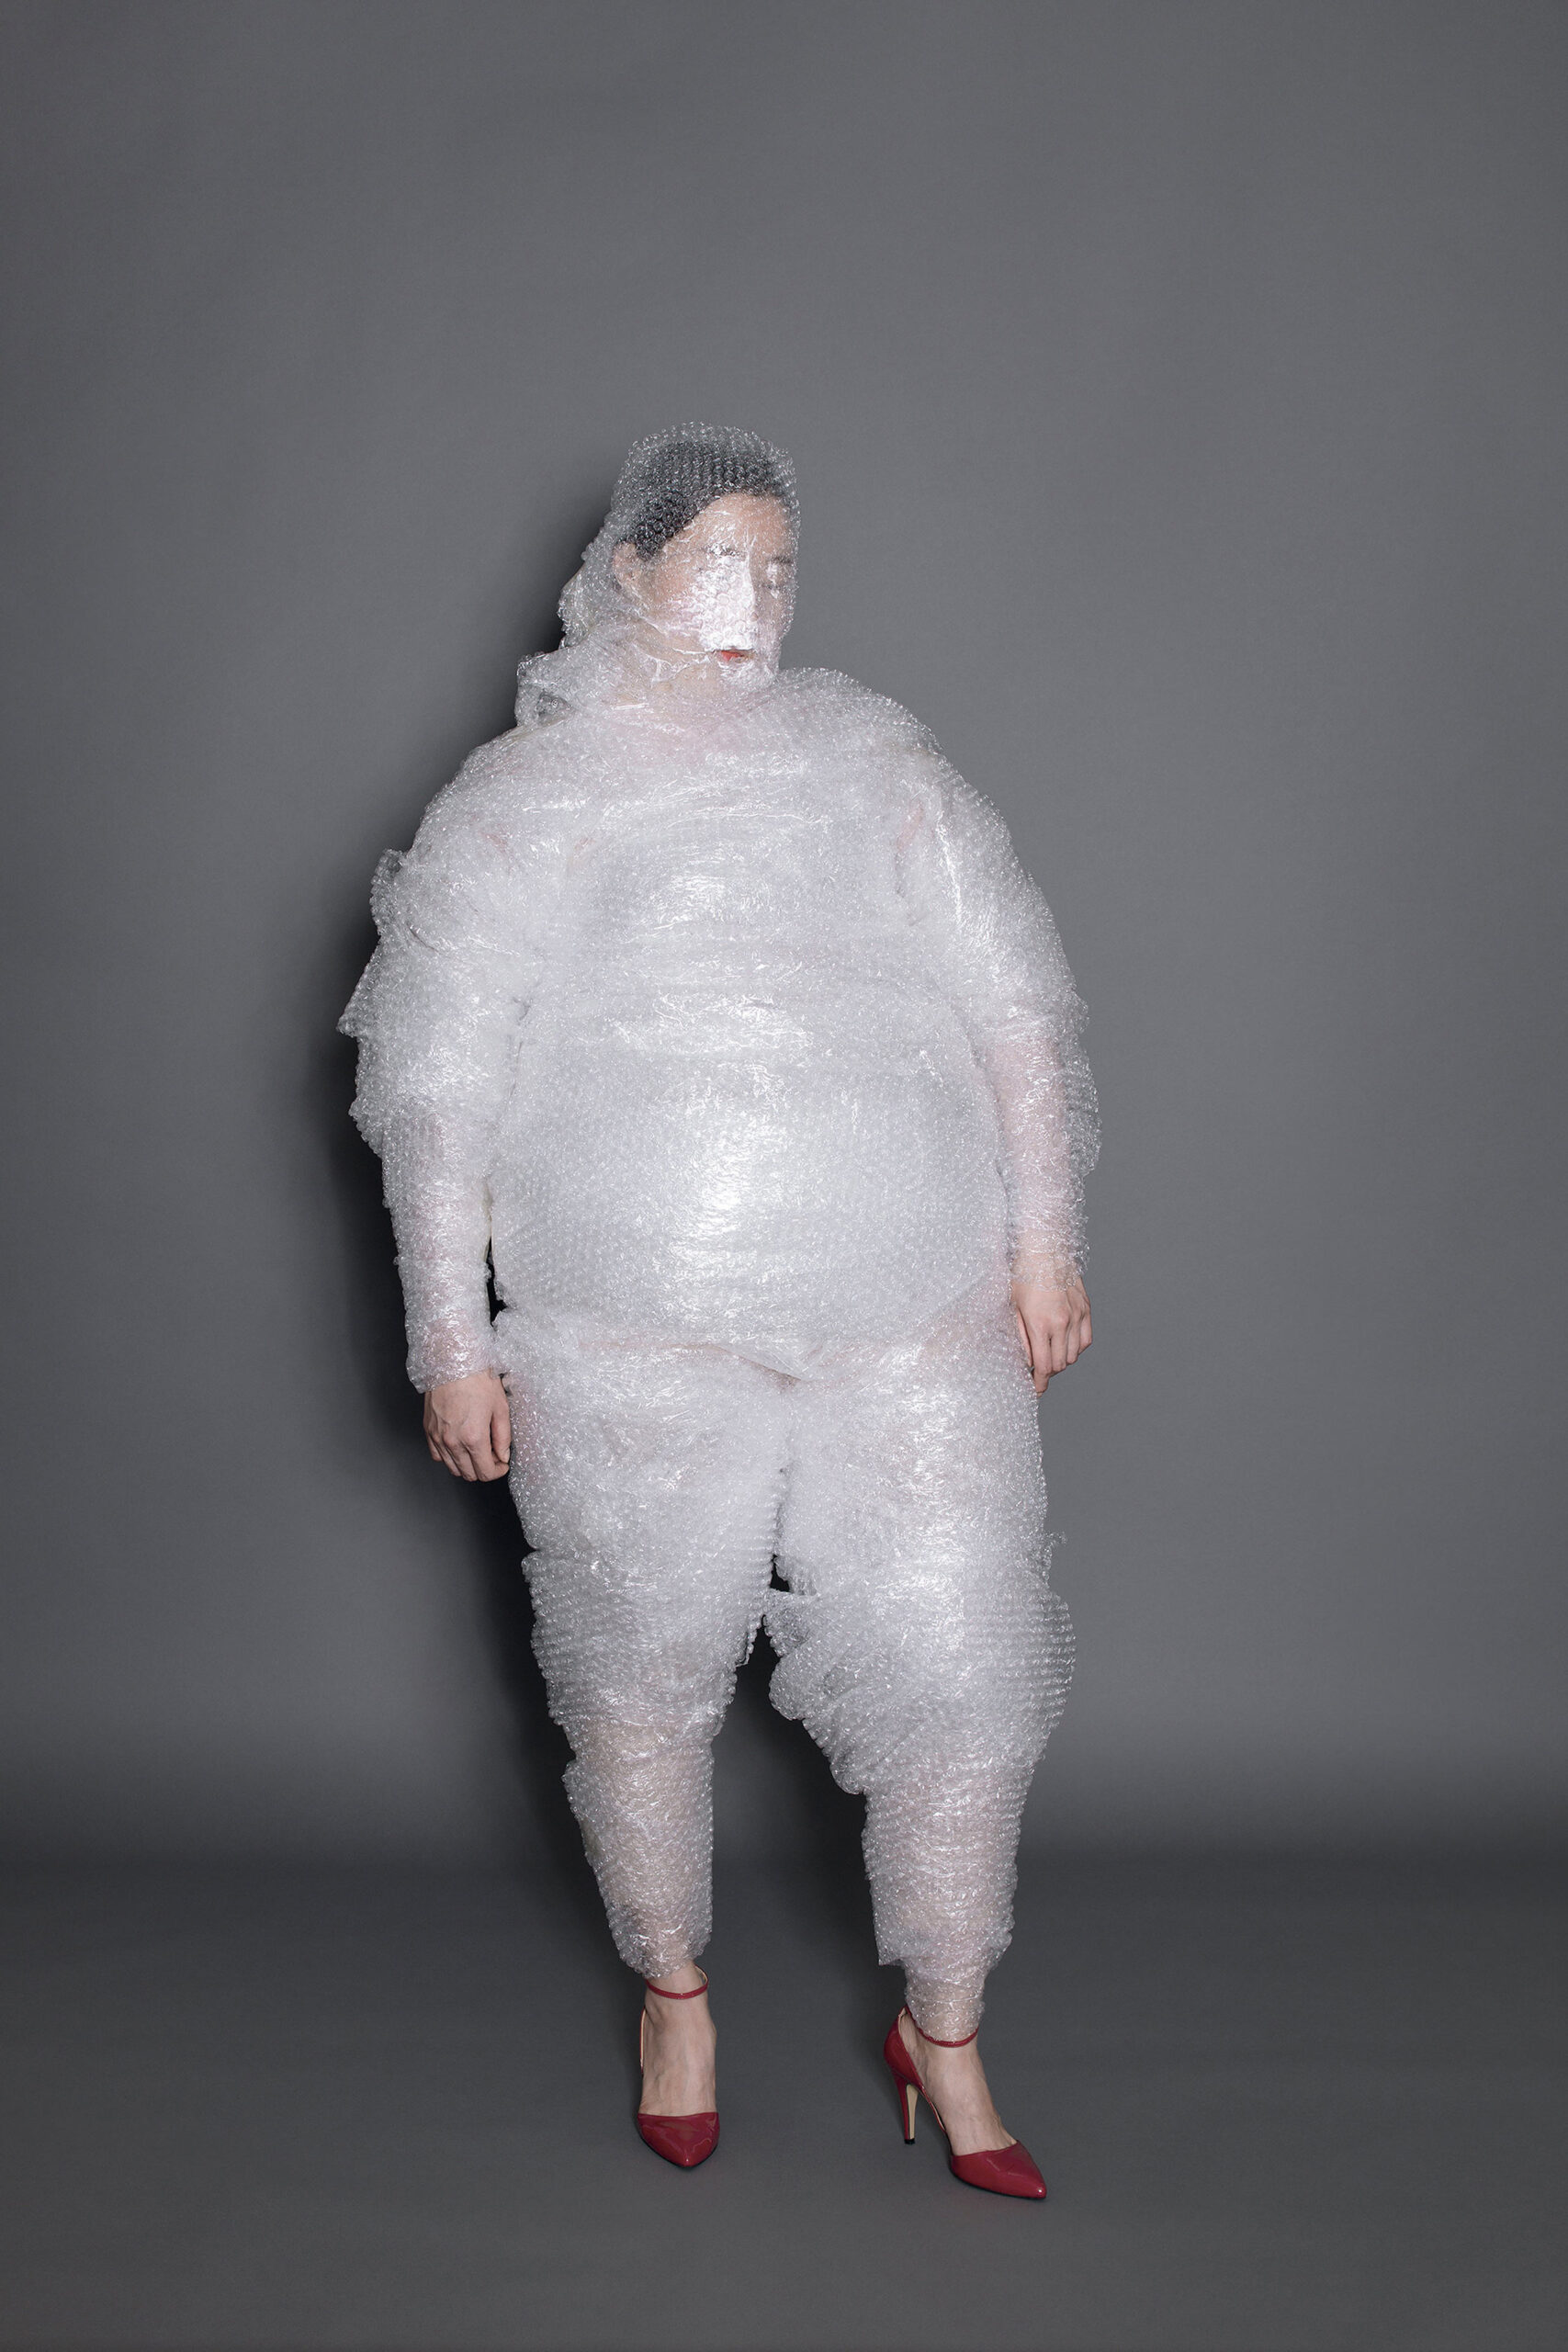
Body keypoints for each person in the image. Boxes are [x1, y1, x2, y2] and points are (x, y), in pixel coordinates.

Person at [341, 424, 1097, 2195]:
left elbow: (1014, 1004)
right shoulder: (530, 797)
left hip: (910, 1312)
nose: (754, 598)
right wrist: (451, 1338)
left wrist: (1046, 1243)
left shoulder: (874, 765)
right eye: (716, 563)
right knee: (641, 1674)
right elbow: (436, 1081)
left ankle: (949, 2026)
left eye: (781, 565)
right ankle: (673, 1993)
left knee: (965, 1672)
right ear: (631, 574)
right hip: (628, 1328)